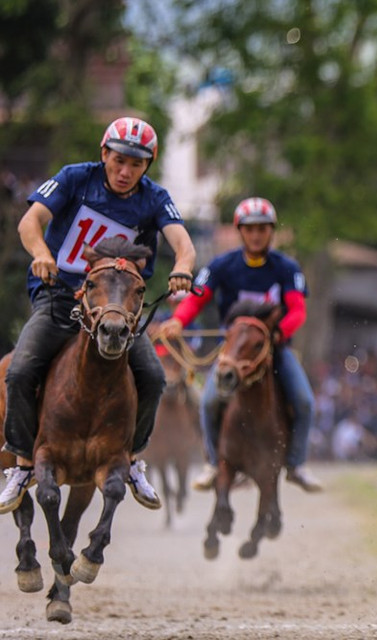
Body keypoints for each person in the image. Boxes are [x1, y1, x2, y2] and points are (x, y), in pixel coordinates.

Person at [0, 117, 197, 513]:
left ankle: (134, 459)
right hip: (60, 299)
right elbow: (30, 221)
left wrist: (183, 270)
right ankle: (21, 465)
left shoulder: (156, 199)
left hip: (118, 310)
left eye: (136, 164)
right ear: (104, 153)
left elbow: (184, 246)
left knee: (155, 379)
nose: (125, 171)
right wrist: (41, 254)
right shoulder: (75, 178)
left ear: (148, 165)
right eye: (118, 160)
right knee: (19, 371)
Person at [158, 197, 322, 493]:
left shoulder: (286, 267)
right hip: (232, 352)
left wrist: (278, 334)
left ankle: (296, 464)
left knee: (304, 400)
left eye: (262, 228)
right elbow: (197, 297)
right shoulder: (222, 265)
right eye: (250, 229)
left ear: (271, 231)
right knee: (208, 401)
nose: (256, 234)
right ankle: (211, 463)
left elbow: (297, 310)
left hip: (275, 349)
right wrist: (179, 320)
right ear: (240, 231)